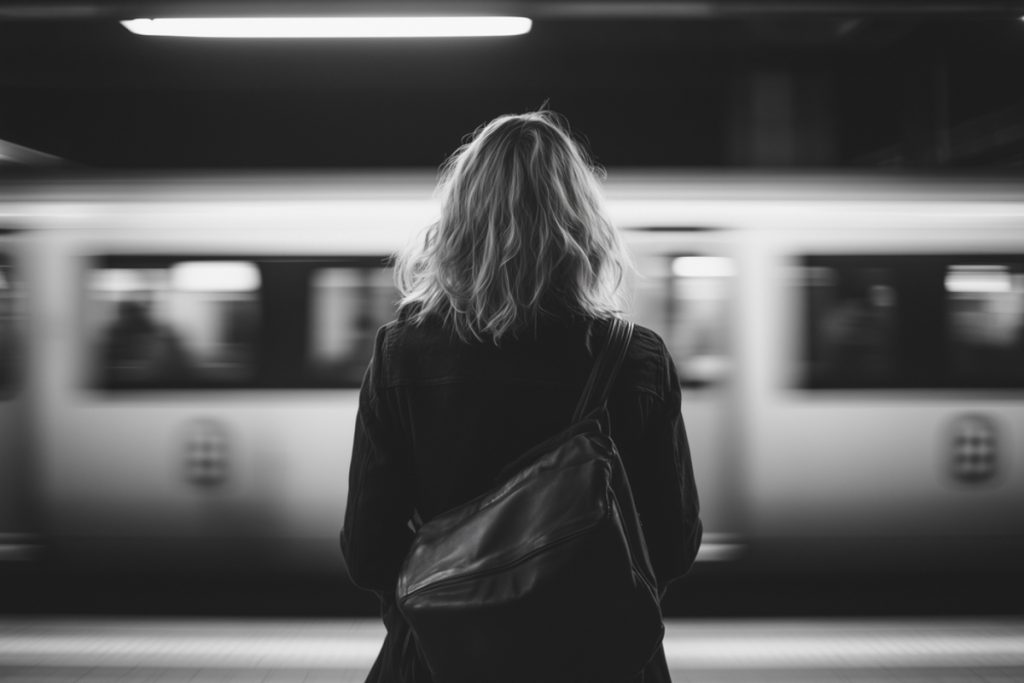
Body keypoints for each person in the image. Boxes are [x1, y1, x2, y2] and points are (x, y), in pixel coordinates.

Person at [341, 110, 702, 682]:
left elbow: (367, 552)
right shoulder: (636, 359)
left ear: (460, 222)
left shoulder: (402, 354)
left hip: (439, 661)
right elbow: (674, 546)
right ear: (582, 225)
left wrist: (454, 599)